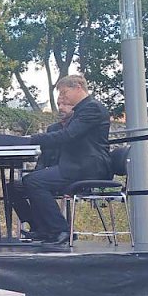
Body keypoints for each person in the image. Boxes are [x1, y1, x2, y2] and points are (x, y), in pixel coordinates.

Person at [22, 75, 111, 246]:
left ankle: (60, 230)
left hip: (87, 167)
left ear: (78, 87)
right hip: (76, 165)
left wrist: (32, 139)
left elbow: (68, 135)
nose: (63, 98)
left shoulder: (92, 108)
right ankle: (44, 229)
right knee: (27, 182)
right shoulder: (83, 110)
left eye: (64, 92)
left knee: (34, 181)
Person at [7, 95, 71, 239]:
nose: (61, 108)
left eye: (66, 104)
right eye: (59, 105)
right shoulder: (52, 128)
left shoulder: (77, 129)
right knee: (13, 187)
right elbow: (44, 155)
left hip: (68, 173)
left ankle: (59, 229)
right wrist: (39, 171)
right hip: (49, 174)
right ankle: (37, 226)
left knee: (36, 183)